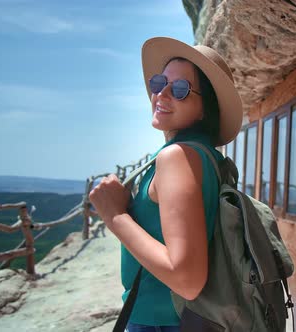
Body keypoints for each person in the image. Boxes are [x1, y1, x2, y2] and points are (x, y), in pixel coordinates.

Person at [88, 37, 243, 332]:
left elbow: (187, 279)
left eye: (181, 90)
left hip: (164, 324)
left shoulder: (177, 158)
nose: (162, 94)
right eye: (159, 82)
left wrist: (115, 216)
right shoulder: (206, 157)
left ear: (203, 109)